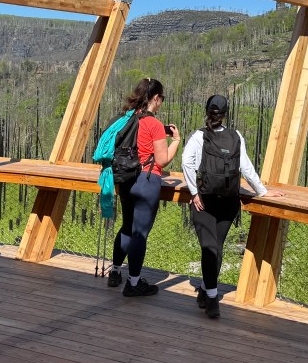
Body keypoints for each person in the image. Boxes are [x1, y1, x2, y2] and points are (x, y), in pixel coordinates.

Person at [182, 94, 283, 318]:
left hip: (205, 201)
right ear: (226, 113)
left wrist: (194, 192)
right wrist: (263, 192)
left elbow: (186, 162)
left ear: (207, 111)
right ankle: (206, 291)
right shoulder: (235, 136)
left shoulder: (199, 136)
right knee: (216, 247)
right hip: (229, 202)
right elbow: (246, 168)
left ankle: (211, 299)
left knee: (209, 248)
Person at [107, 77, 180, 297]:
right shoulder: (154, 124)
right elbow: (161, 160)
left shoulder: (127, 119)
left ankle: (115, 271)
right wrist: (175, 140)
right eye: (162, 99)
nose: (161, 103)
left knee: (127, 226)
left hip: (125, 179)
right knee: (140, 233)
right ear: (155, 98)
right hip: (146, 180)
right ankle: (134, 283)